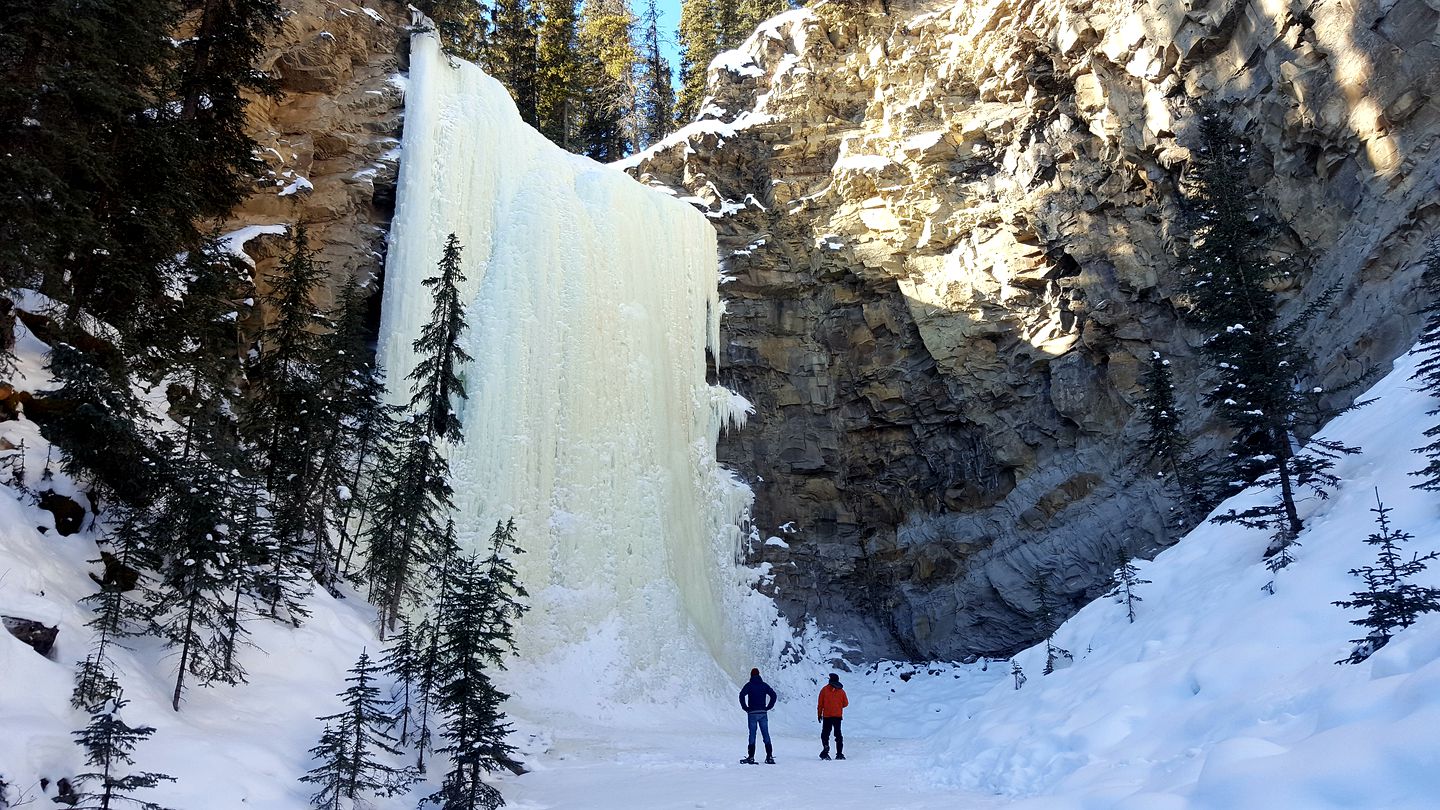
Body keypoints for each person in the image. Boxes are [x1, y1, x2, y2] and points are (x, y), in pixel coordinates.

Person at [738, 667, 777, 764]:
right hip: (763, 713)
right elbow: (773, 695)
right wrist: (768, 707)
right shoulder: (764, 685)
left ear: (751, 675)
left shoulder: (749, 685)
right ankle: (769, 757)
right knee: (766, 734)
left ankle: (751, 757)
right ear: (759, 675)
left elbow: (741, 695)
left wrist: (745, 707)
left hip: (752, 713)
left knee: (752, 735)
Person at [817, 672, 848, 760]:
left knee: (825, 734)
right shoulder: (841, 691)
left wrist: (819, 714)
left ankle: (826, 750)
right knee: (838, 735)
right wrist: (837, 706)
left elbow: (820, 704)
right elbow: (846, 703)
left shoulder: (824, 689)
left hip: (827, 716)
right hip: (838, 716)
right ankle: (839, 754)